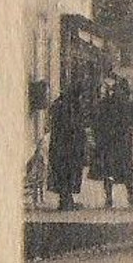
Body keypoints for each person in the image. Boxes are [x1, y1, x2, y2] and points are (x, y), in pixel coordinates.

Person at [93, 75, 133, 209]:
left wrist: (99, 139)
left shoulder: (105, 103)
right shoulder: (126, 104)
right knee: (126, 170)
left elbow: (97, 122)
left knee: (108, 171)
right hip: (123, 143)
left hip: (108, 143)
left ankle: (109, 199)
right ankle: (130, 196)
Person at [46, 81, 88, 211]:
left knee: (62, 173)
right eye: (81, 95)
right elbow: (73, 127)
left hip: (59, 146)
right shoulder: (69, 107)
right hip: (68, 147)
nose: (81, 98)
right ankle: (66, 202)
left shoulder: (59, 104)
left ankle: (66, 200)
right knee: (68, 173)